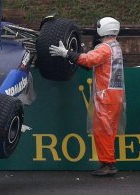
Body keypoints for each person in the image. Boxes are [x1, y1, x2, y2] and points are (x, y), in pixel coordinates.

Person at [49, 16, 126, 177]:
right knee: (108, 130)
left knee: (101, 131)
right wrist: (74, 55)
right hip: (115, 94)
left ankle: (108, 164)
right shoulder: (115, 46)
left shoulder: (105, 48)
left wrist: (66, 54)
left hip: (106, 95)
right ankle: (108, 162)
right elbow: (92, 62)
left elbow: (89, 60)